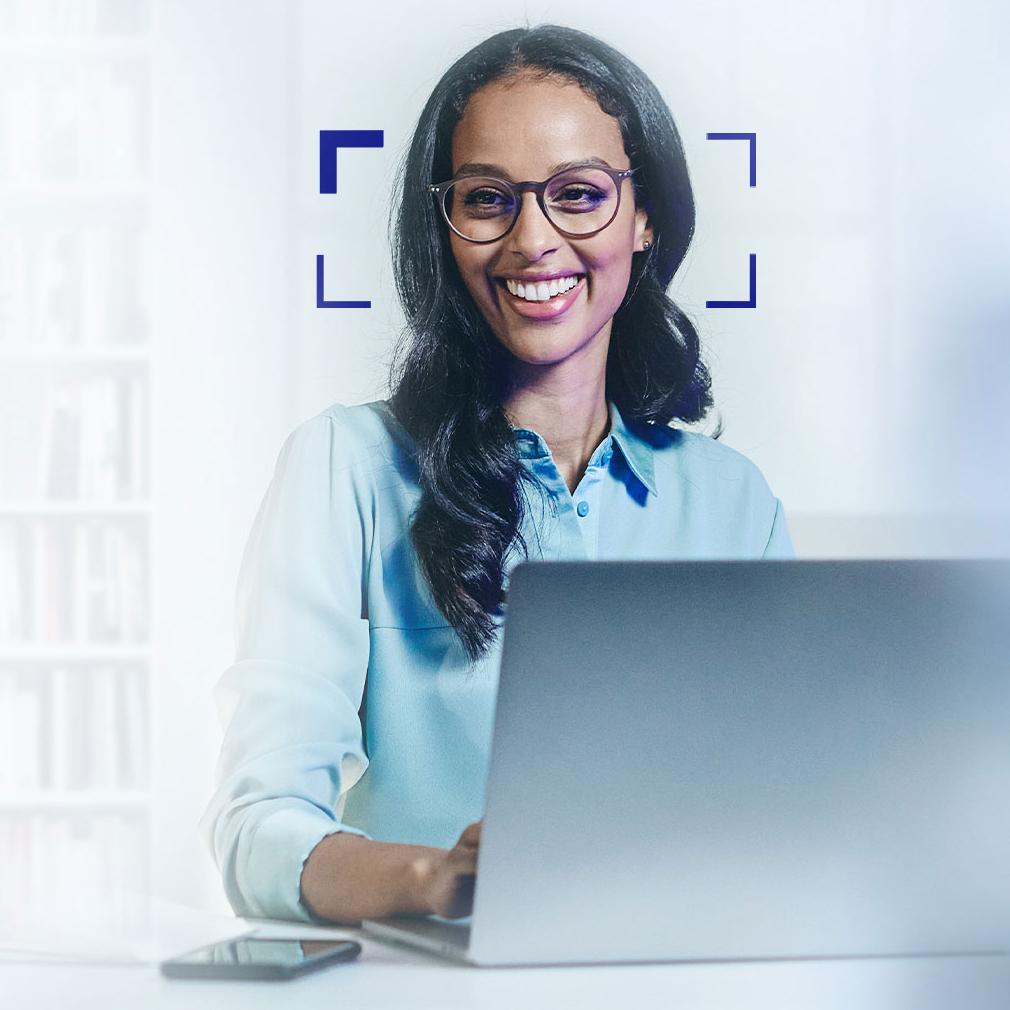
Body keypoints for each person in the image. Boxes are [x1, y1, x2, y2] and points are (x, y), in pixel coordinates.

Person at [199, 23, 795, 927]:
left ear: (645, 220)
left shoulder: (731, 499)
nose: (532, 240)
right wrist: (435, 880)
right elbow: (258, 830)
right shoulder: (346, 468)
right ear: (444, 229)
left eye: (579, 194)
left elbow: (787, 803)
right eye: (487, 200)